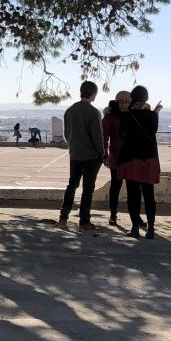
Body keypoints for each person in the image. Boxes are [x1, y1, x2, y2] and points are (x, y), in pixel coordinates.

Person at [117, 85, 163, 239]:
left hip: (131, 159)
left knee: (133, 195)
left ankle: (135, 228)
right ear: (146, 99)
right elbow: (152, 131)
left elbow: (121, 135)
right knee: (149, 195)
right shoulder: (152, 116)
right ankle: (151, 229)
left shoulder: (126, 115)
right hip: (148, 159)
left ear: (132, 98)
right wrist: (155, 112)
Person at [59, 81, 105, 230]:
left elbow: (66, 134)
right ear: (93, 94)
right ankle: (84, 221)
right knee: (87, 189)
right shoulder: (94, 112)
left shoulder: (69, 110)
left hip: (75, 154)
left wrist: (73, 147)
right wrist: (102, 154)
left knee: (72, 185)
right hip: (91, 157)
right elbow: (97, 137)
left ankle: (63, 216)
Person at [101, 92, 140, 228]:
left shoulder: (134, 114)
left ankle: (136, 217)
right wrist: (105, 155)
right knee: (115, 187)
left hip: (132, 158)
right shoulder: (110, 117)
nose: (124, 104)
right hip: (116, 158)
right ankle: (113, 215)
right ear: (116, 102)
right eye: (121, 101)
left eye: (126, 101)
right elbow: (104, 137)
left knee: (133, 189)